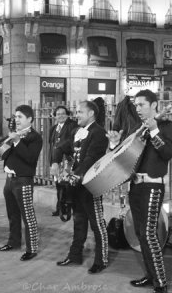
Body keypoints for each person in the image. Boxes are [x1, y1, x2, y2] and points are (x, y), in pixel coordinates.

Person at [108, 90, 171, 293]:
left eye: (142, 105)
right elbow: (122, 159)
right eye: (135, 105)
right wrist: (114, 143)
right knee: (140, 234)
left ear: (154, 105)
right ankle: (150, 275)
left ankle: (160, 282)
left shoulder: (166, 126)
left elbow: (167, 153)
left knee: (149, 234)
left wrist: (154, 130)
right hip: (135, 186)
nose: (137, 109)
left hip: (153, 185)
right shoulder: (136, 129)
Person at [56, 100, 108, 274]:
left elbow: (91, 158)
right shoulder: (77, 131)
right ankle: (75, 255)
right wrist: (54, 162)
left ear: (91, 113)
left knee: (97, 224)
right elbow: (62, 146)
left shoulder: (99, 133)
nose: (76, 115)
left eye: (80, 112)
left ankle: (101, 260)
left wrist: (75, 175)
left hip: (92, 185)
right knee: (78, 222)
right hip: (77, 185)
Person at [0, 105, 42, 261]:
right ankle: (13, 241)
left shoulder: (34, 137)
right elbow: (3, 154)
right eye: (15, 117)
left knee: (27, 215)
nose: (16, 120)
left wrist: (17, 142)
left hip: (23, 180)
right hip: (9, 180)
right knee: (12, 214)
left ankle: (32, 248)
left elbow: (30, 157)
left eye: (20, 117)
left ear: (29, 119)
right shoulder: (15, 135)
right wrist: (2, 142)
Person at [49, 106, 78, 216]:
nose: (60, 116)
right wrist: (52, 161)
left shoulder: (72, 126)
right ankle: (60, 207)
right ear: (55, 116)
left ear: (67, 114)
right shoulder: (54, 128)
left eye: (63, 113)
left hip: (67, 160)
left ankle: (66, 207)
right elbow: (51, 146)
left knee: (66, 185)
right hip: (56, 161)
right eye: (58, 114)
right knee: (58, 184)